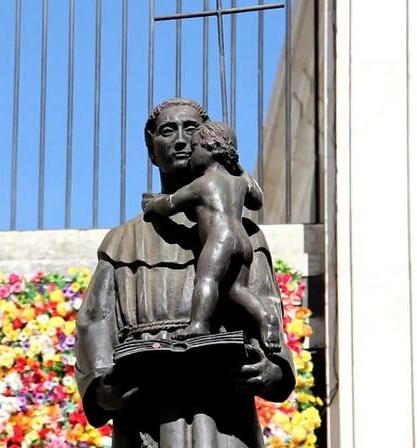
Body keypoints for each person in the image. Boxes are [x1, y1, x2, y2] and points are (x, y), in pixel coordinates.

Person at [74, 98, 295, 448]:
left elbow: (265, 307)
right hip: (147, 404)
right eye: (167, 131)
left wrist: (272, 368)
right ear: (151, 150)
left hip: (223, 407)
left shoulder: (246, 233)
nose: (179, 140)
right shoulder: (122, 240)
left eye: (190, 130)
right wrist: (103, 387)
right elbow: (95, 321)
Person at [141, 122, 280, 353]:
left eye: (195, 147)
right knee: (237, 290)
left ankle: (198, 324)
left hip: (221, 238)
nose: (190, 152)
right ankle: (266, 317)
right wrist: (239, 168)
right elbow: (257, 200)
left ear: (211, 149)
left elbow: (171, 203)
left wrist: (152, 205)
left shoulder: (202, 184)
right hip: (242, 240)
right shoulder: (239, 182)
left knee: (207, 280)